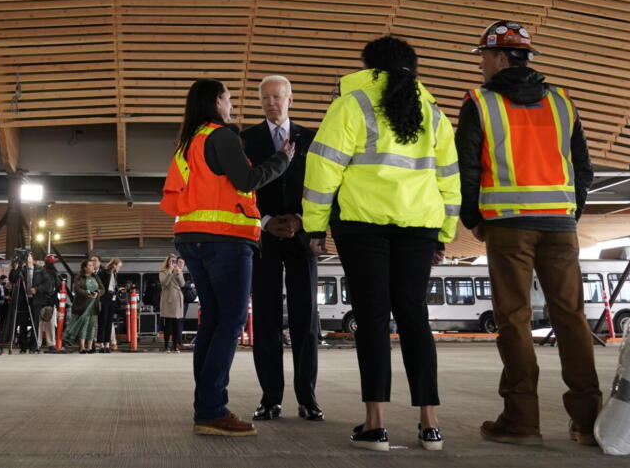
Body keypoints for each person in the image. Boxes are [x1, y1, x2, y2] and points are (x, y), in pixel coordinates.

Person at [303, 36, 458, 452]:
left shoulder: (352, 104)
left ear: (370, 67)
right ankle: (430, 425)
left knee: (371, 318)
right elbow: (449, 176)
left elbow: (323, 167)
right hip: (420, 225)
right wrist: (444, 232)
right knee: (414, 317)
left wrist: (315, 226)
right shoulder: (433, 111)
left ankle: (376, 425)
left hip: (362, 226)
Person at [457, 20, 601, 447]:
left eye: (484, 55)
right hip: (559, 224)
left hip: (507, 225)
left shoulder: (480, 102)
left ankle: (521, 421)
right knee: (572, 318)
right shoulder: (562, 102)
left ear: (501, 58)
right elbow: (583, 168)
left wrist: (473, 219)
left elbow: (466, 168)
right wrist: (570, 213)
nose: (481, 64)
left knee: (515, 321)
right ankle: (588, 422)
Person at [161, 78, 293, 437]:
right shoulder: (221, 136)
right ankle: (212, 409)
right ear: (216, 101)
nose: (231, 104)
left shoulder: (189, 140)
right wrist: (282, 160)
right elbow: (247, 180)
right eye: (229, 98)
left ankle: (205, 406)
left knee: (213, 322)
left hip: (192, 240)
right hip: (225, 241)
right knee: (231, 323)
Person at [241, 74, 322, 422]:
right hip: (264, 238)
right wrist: (265, 219)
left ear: (291, 99)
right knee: (268, 319)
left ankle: (308, 398)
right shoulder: (245, 140)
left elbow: (324, 184)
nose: (272, 103)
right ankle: (270, 398)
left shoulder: (314, 138)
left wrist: (303, 220)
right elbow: (241, 189)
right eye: (265, 99)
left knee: (306, 320)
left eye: (277, 97)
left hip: (302, 237)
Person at [65, 257, 101, 353]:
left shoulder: (96, 277)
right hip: (82, 306)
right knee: (83, 326)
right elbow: (77, 289)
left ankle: (89, 347)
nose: (92, 266)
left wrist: (97, 293)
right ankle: (82, 347)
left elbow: (102, 289)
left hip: (94, 305)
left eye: (92, 265)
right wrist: (87, 294)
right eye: (89, 265)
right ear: (84, 268)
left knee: (91, 326)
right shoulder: (79, 277)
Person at [32, 255, 60, 352]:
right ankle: (50, 344)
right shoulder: (49, 273)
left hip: (41, 300)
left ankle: (38, 344)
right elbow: (56, 286)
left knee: (40, 324)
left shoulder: (39, 272)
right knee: (49, 324)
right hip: (47, 300)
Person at [159, 254, 186, 352]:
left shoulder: (178, 271)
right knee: (168, 326)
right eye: (171, 261)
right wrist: (170, 272)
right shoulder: (163, 272)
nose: (173, 263)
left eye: (174, 261)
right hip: (168, 300)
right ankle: (166, 346)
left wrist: (178, 273)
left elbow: (182, 284)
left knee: (177, 325)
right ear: (167, 262)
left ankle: (175, 346)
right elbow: (164, 283)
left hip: (177, 300)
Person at [96, 258, 124, 352]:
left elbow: (112, 286)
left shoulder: (114, 274)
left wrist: (118, 289)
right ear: (114, 265)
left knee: (109, 322)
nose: (119, 268)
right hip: (104, 299)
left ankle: (107, 344)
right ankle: (101, 344)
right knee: (102, 321)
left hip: (112, 299)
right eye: (119, 266)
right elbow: (100, 285)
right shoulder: (104, 273)